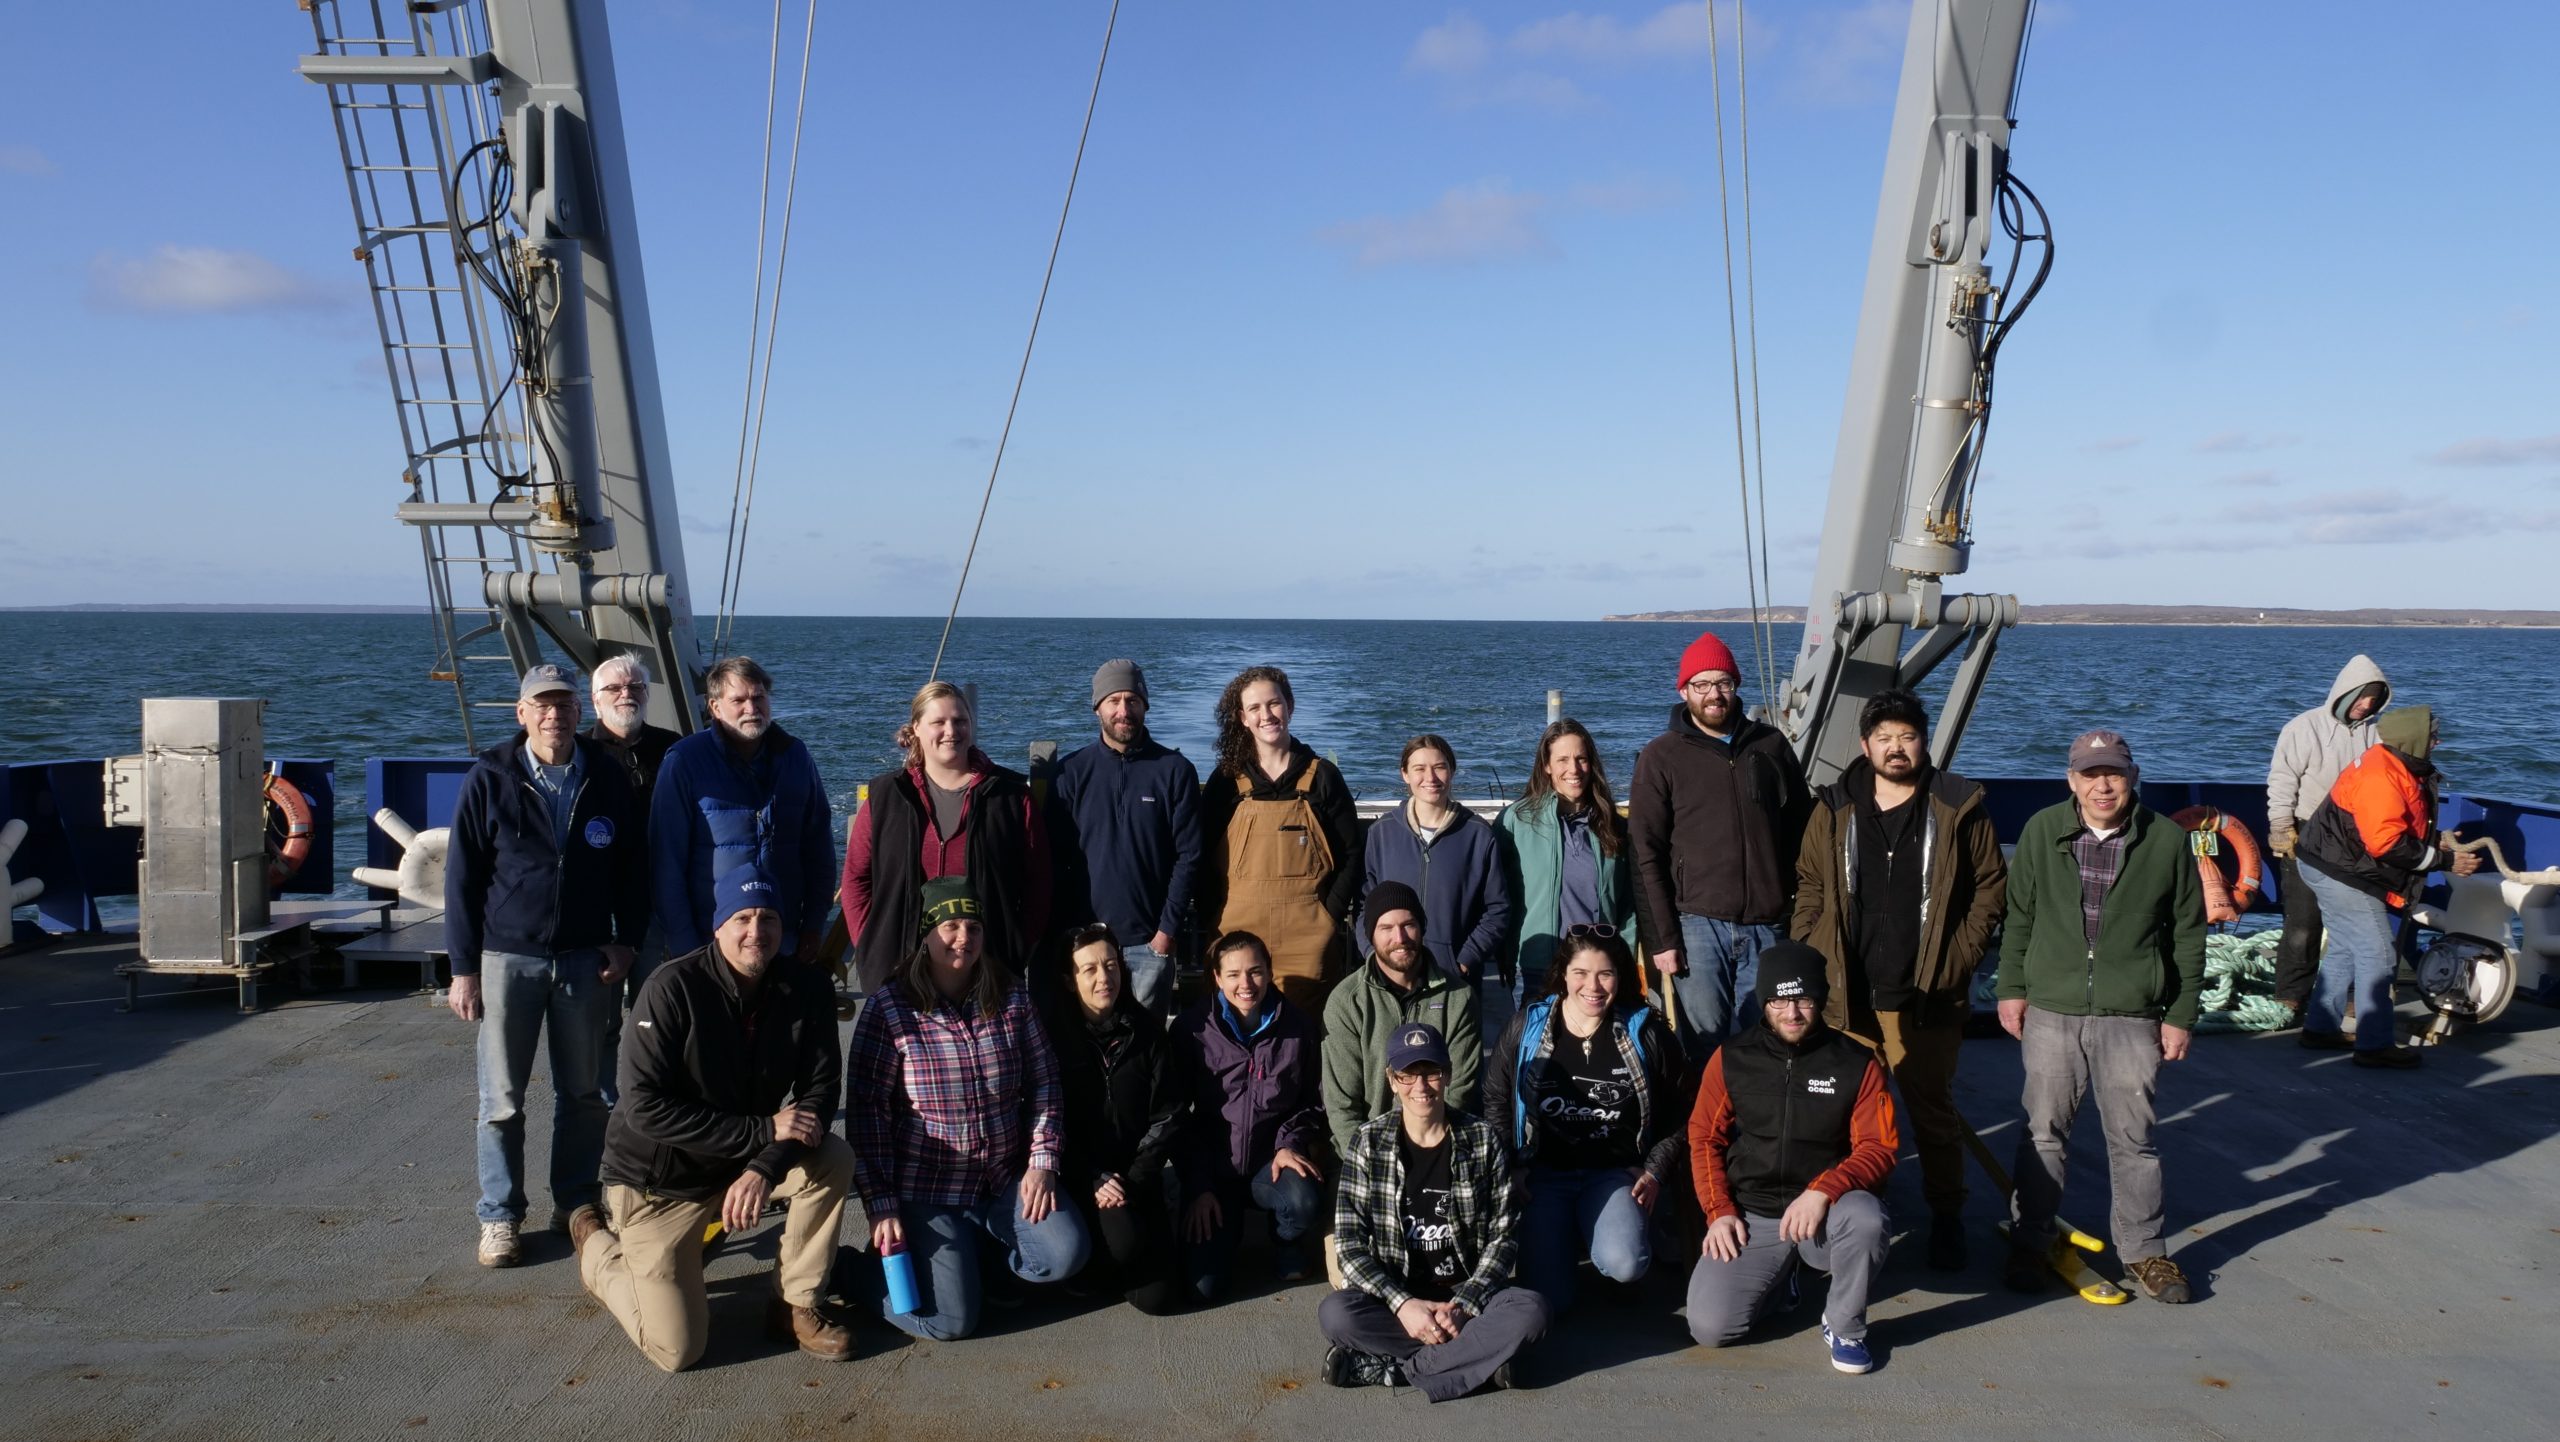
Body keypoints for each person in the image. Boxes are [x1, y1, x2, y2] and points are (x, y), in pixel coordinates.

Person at [576, 864, 855, 1369]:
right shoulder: (672, 988)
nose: (756, 931)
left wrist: (763, 1165)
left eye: (768, 918)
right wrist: (763, 1131)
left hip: (737, 1168)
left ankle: (794, 1305)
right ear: (718, 925)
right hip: (660, 1185)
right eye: (742, 917)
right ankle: (599, 1249)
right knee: (677, 1350)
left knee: (831, 1157)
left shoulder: (804, 987)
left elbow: (818, 1092)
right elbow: (641, 1107)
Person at [1788, 688, 2007, 1271]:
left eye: (1906, 737)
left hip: (1926, 993)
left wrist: (1958, 958)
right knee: (1847, 1116)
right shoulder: (1834, 808)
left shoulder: (1959, 807)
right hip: (1847, 995)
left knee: (1932, 1111)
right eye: (1883, 738)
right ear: (1865, 745)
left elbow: (1990, 890)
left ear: (1923, 741)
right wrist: (1815, 953)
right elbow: (1810, 884)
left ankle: (1947, 1217)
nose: (1895, 748)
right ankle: (1853, 1214)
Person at [443, 664, 647, 1268]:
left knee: (583, 1094)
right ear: (521, 713)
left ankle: (575, 1202)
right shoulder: (491, 778)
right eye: (541, 705)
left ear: (579, 712)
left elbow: (632, 869)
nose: (554, 715)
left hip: (585, 961)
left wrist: (625, 941)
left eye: (563, 703)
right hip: (509, 957)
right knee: (501, 1101)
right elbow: (462, 877)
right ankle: (500, 1216)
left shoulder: (606, 777)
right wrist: (463, 968)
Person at [1993, 729, 2204, 1305]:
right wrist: (2011, 988)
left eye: (2113, 772)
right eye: (2091, 774)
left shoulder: (2164, 840)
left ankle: (2144, 1252)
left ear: (2133, 777)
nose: (2103, 784)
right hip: (2052, 1009)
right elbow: (2018, 918)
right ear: (2072, 781)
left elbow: (2187, 932)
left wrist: (2180, 1013)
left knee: (2134, 1140)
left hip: (2132, 1013)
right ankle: (2030, 1239)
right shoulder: (2041, 831)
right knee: (2043, 1134)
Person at [845, 877, 1089, 1340]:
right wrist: (881, 1203)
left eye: (973, 927)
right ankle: (852, 1271)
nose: (964, 938)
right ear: (927, 934)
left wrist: (1042, 1162)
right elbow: (866, 1113)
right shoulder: (889, 1008)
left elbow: (1044, 1081)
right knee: (951, 1323)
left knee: (1064, 1254)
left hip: (1002, 1177)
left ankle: (979, 1251)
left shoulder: (1011, 995)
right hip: (928, 1186)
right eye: (951, 926)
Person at [1684, 944, 1898, 1375]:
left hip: (1827, 1213)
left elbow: (1880, 1147)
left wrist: (1823, 1190)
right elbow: (1705, 1137)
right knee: (1711, 1328)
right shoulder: (1732, 1058)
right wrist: (1719, 1211)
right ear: (1764, 1001)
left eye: (1803, 999)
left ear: (1820, 1000)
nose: (1792, 1012)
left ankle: (1844, 1325)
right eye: (1779, 1000)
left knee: (1868, 1219)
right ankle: (1783, 1285)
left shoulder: (1856, 1063)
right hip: (1755, 1213)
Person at [1319, 1022, 1550, 1399]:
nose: (1420, 1087)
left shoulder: (1481, 1138)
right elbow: (1350, 1243)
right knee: (1336, 1313)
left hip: (1465, 1288)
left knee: (1532, 1311)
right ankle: (1481, 1365)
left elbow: (1503, 1236)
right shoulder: (1368, 1141)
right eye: (1408, 1075)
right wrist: (1404, 1304)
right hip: (1398, 1290)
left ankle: (1397, 1371)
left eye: (1431, 1073)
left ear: (1448, 1075)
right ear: (1392, 1080)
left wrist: (1464, 1305)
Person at [1480, 927, 1685, 1311]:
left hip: (1612, 1175)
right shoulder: (1528, 1026)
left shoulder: (1646, 1032)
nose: (1593, 986)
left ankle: (1608, 1236)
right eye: (1580, 973)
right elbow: (1495, 1098)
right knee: (1549, 1299)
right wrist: (1512, 1168)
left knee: (1625, 1263)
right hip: (1544, 1175)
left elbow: (1683, 1108)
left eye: (1605, 974)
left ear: (1620, 977)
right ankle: (1565, 1236)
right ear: (1562, 974)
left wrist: (1655, 1171)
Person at [1630, 630, 1810, 1056]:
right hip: (1696, 926)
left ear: (1736, 687)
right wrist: (1663, 940)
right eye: (1702, 684)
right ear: (1684, 690)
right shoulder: (1661, 757)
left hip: (1767, 925)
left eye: (1723, 683)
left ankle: (1761, 1124)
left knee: (1771, 1040)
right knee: (1703, 1044)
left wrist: (1796, 912)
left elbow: (1803, 833)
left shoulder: (1771, 746)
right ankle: (1707, 1124)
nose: (1714, 694)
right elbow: (1645, 855)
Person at [2294, 706, 2482, 1068]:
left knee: (2346, 949)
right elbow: (2384, 843)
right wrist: (2443, 860)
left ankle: (2319, 1029)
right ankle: (2374, 1045)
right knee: (2379, 955)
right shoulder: (2383, 776)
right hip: (2343, 872)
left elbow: (2389, 823)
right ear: (2412, 740)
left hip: (2327, 861)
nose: (2437, 741)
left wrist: (2431, 841)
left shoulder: (2392, 763)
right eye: (2432, 736)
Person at [843, 681, 1052, 997]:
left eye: (960, 721)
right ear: (916, 728)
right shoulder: (885, 796)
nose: (951, 730)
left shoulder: (1010, 796)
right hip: (898, 970)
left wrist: (1017, 944)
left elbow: (1038, 882)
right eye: (938, 722)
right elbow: (856, 880)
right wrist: (870, 941)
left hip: (987, 970)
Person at [1170, 930, 1328, 1300]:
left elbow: (1313, 1101)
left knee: (1303, 1201)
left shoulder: (1299, 1028)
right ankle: (1223, 1226)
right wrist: (1198, 1186)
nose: (1246, 984)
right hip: (1213, 1167)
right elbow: (1176, 1114)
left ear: (1270, 972)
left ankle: (1285, 1240)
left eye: (1255, 971)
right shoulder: (1191, 1029)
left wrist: (1290, 1143)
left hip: (1268, 1161)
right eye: (1234, 974)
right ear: (1217, 978)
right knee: (1204, 1288)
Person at [1042, 922, 1188, 1314]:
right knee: (1119, 1248)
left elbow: (1169, 1115)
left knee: (1159, 1299)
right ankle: (1092, 1251)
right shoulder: (1052, 1039)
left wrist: (1134, 1178)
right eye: (1089, 969)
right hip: (1079, 1178)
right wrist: (1090, 1176)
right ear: (1071, 981)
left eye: (1111, 965)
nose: (1104, 977)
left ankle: (1121, 1244)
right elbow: (1045, 1119)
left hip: (1135, 1177)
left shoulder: (1148, 1034)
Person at [1197, 665, 1360, 1015]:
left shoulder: (1323, 777)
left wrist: (1328, 916)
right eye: (1254, 708)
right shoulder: (1227, 781)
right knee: (1235, 1027)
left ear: (1290, 706)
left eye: (1274, 704)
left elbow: (1351, 853)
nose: (1266, 715)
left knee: (1306, 1032)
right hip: (1235, 930)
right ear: (1242, 717)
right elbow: (1198, 856)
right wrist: (1213, 913)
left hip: (1309, 934)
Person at [650, 656, 835, 961]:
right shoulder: (685, 761)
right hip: (710, 944)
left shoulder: (795, 757)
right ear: (714, 707)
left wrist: (813, 926)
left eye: (758, 697)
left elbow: (818, 848)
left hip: (782, 941)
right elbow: (667, 862)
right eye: (738, 700)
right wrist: (685, 947)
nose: (751, 709)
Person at [1052, 660, 1203, 1013]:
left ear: (1145, 705)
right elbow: (1055, 858)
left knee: (1145, 1050)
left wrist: (1165, 935)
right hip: (1086, 944)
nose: (1124, 710)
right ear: (1097, 708)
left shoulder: (1175, 771)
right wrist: (1068, 934)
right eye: (1114, 700)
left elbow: (1190, 856)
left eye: (1132, 700)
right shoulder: (1071, 773)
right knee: (1087, 1051)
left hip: (1149, 945)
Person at [2265, 656, 2392, 1022]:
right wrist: (2280, 826)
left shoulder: (2377, 734)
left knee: (2355, 923)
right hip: (2306, 835)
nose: (2366, 704)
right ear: (2344, 691)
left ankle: (2351, 994)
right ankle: (2291, 994)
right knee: (2303, 924)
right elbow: (2282, 780)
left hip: (2357, 839)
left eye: (2374, 698)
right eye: (2362, 696)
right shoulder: (2302, 728)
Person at [1323, 881, 1484, 1163]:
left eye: (1408, 925)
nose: (1400, 937)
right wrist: (1373, 1162)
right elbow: (1342, 1105)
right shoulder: (1347, 1002)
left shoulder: (1458, 998)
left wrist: (1424, 1154)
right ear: (1370, 935)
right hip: (1366, 1153)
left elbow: (1460, 1090)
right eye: (1386, 928)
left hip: (1440, 1148)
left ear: (1422, 928)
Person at [585, 653, 683, 1106]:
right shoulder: (581, 754)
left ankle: (654, 1106)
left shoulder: (675, 749)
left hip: (658, 905)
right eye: (614, 688)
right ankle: (606, 1108)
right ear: (594, 700)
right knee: (602, 1021)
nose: (627, 695)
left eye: (636, 687)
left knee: (657, 1014)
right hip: (600, 910)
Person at [1497, 718, 1638, 1007]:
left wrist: (1624, 953)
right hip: (1536, 965)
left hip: (1596, 971)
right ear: (1546, 765)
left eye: (1581, 759)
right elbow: (1498, 897)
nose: (1573, 769)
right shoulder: (1517, 820)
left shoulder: (1613, 825)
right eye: (1562, 759)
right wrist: (1505, 956)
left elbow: (1629, 901)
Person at [1362, 735, 1515, 995]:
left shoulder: (1477, 834)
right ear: (1404, 775)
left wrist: (1465, 959)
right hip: (1392, 974)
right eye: (1419, 769)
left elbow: (1497, 909)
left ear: (1452, 771)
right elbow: (1365, 903)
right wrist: (1371, 953)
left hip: (1454, 979)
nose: (1430, 778)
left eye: (1439, 767)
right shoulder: (1382, 832)